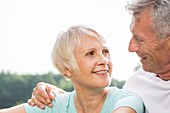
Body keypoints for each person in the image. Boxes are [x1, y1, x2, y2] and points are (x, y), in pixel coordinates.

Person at [27, 0, 170, 113]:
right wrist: (57, 98)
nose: (130, 47)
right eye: (90, 53)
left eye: (140, 39)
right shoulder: (137, 85)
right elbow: (92, 102)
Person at [0, 25, 144, 113]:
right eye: (90, 53)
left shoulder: (127, 100)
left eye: (105, 51)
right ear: (67, 69)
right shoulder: (54, 104)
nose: (103, 60)